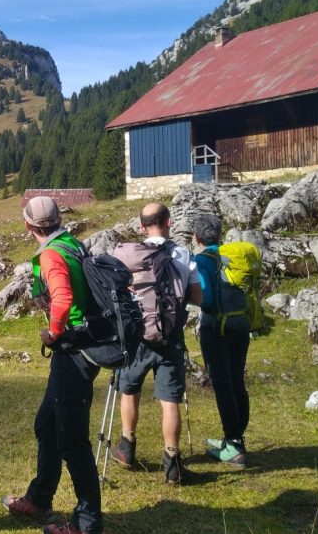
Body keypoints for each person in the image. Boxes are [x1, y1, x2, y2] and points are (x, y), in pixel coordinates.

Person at [2, 196, 104, 534]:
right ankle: (39, 497)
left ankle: (87, 523)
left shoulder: (50, 254)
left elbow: (62, 298)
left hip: (73, 350)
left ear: (28, 225)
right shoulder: (71, 243)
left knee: (72, 439)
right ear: (59, 219)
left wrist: (53, 332)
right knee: (47, 424)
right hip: (82, 345)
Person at [109, 203, 202, 485]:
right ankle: (172, 463)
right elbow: (198, 298)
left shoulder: (127, 255)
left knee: (129, 391)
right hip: (170, 338)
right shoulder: (183, 255)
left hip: (136, 338)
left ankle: (126, 448)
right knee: (170, 400)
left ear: (141, 227)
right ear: (169, 222)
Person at [192, 213, 249, 468]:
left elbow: (205, 299)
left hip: (216, 327)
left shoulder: (202, 260)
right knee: (237, 380)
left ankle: (234, 445)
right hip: (240, 324)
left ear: (196, 237)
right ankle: (234, 438)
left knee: (222, 384)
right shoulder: (231, 256)